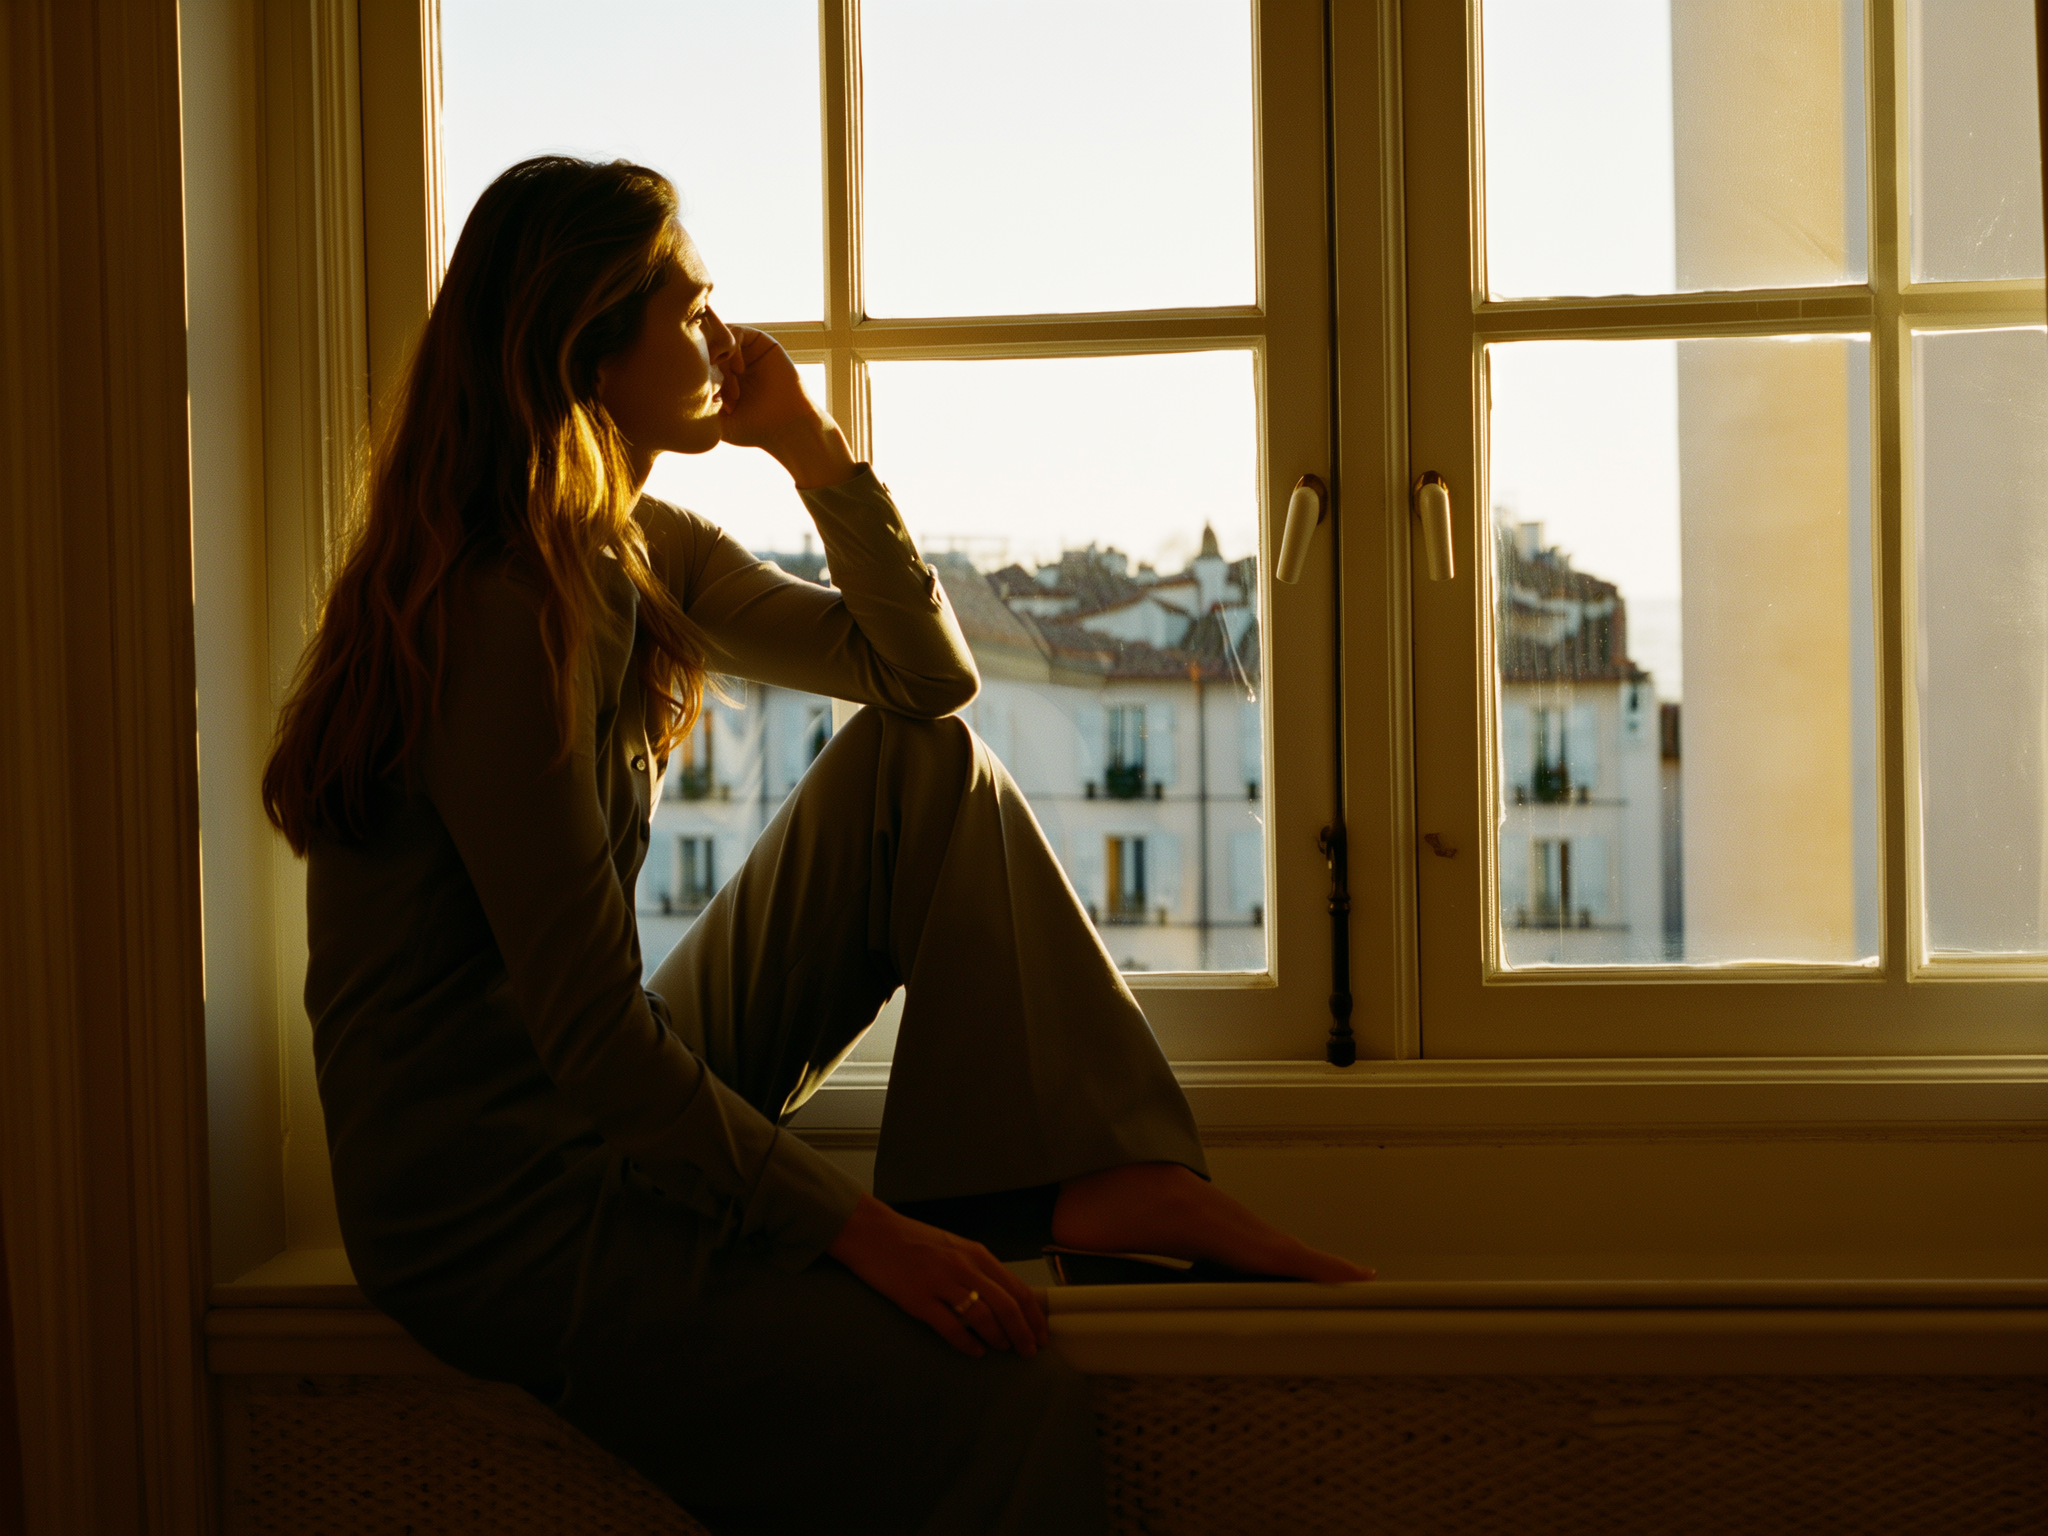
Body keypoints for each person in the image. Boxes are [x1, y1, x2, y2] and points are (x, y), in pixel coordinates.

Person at [262, 155, 1370, 1535]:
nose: (724, 337)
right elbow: (595, 1041)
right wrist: (867, 1234)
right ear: (586, 345)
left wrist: (815, 454)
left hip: (581, 1107)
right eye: (692, 304)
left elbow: (927, 683)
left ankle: (1104, 1177)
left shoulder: (630, 545)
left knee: (921, 769)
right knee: (1002, 1407)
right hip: (495, 1201)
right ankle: (1049, 1205)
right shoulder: (503, 608)